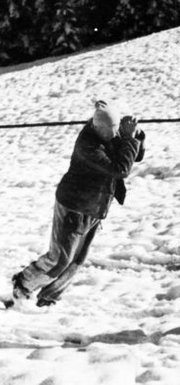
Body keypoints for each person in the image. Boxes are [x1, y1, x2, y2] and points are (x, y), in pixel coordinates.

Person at [9, 100, 145, 307]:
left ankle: (48, 299)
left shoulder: (108, 135)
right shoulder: (88, 145)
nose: (115, 135)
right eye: (113, 130)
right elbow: (121, 169)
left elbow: (133, 156)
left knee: (76, 260)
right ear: (98, 127)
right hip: (74, 207)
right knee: (60, 259)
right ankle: (23, 284)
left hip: (94, 208)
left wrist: (137, 137)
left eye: (118, 130)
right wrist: (128, 139)